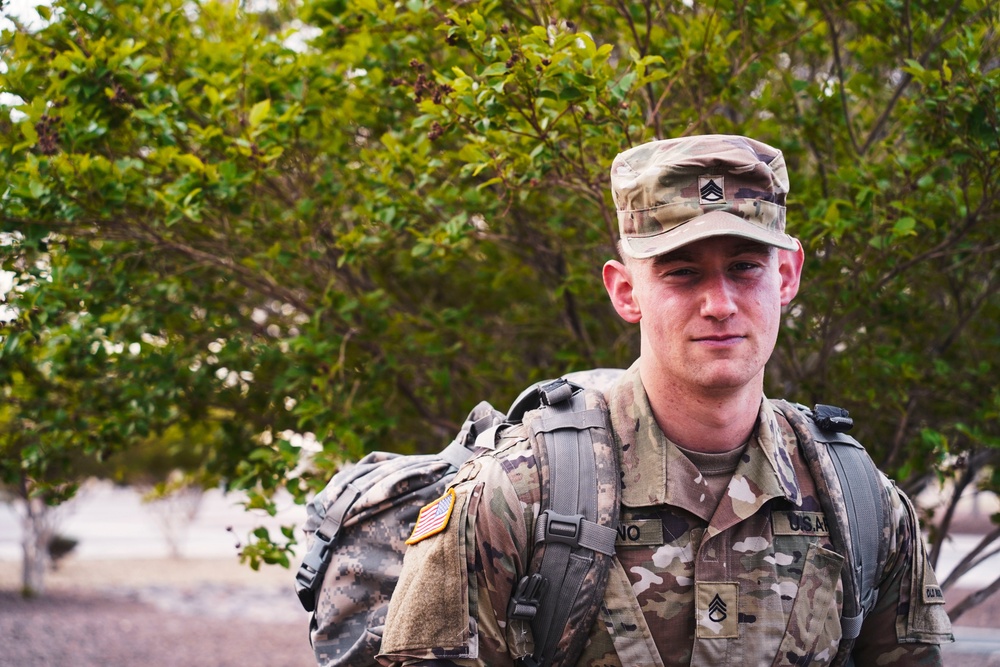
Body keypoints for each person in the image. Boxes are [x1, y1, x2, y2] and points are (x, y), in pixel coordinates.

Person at [375, 135, 954, 666]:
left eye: (744, 267)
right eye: (681, 273)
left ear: (786, 275)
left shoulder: (857, 502)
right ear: (625, 291)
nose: (719, 304)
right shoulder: (518, 498)